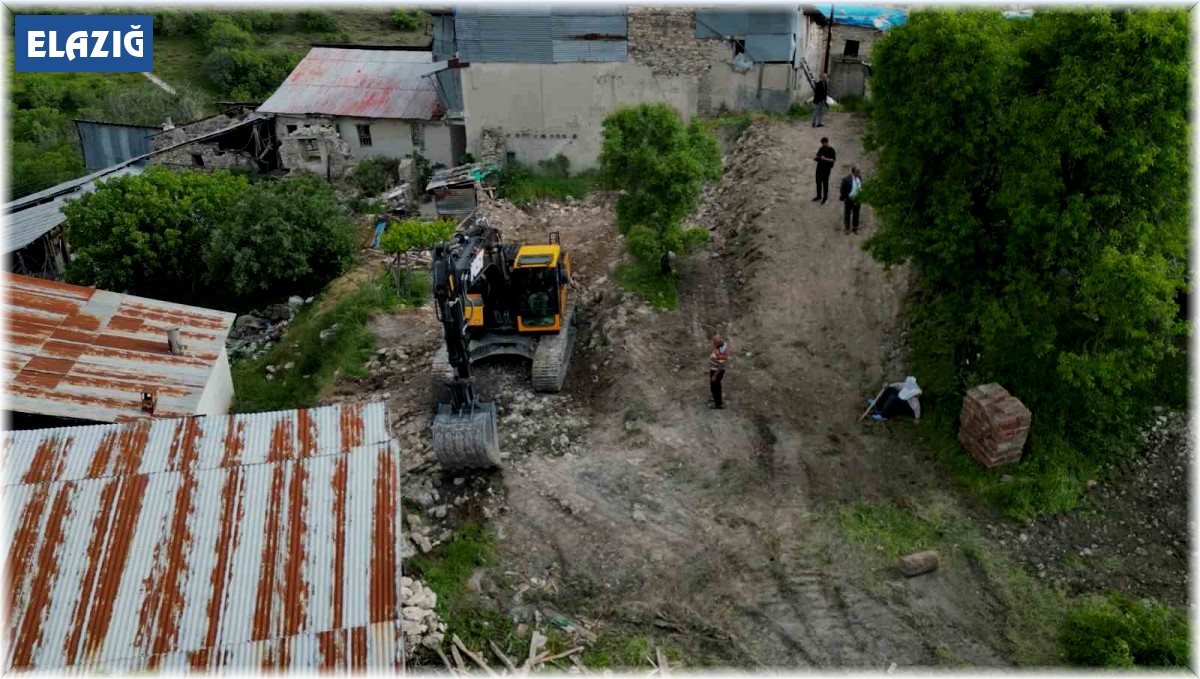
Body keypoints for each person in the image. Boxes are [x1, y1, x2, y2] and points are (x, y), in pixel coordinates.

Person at [838, 166, 863, 234]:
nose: (859, 173)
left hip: (857, 199)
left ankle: (855, 228)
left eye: (859, 171)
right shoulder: (847, 179)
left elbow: (861, 186)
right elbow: (842, 189)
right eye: (858, 171)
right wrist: (845, 197)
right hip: (849, 199)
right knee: (847, 214)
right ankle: (847, 228)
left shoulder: (860, 178)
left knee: (856, 214)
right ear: (854, 172)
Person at [708, 333, 730, 409]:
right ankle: (714, 398)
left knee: (716, 387)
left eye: (714, 341)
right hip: (713, 369)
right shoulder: (718, 345)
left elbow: (721, 365)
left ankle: (718, 404)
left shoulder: (722, 351)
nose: (713, 343)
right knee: (713, 386)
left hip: (717, 371)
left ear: (718, 341)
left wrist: (715, 375)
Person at [812, 138, 836, 204]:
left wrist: (825, 159)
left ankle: (825, 198)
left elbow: (833, 160)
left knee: (825, 183)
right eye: (822, 143)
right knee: (818, 182)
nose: (822, 144)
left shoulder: (831, 150)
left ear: (826, 142)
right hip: (819, 168)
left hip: (826, 169)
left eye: (823, 143)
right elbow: (817, 155)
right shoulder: (821, 148)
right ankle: (819, 196)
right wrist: (817, 157)